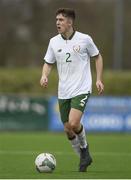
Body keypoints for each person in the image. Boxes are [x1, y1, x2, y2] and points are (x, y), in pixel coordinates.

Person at [40, 8, 104, 172]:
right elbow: (48, 62)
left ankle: (84, 149)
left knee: (75, 123)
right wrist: (44, 75)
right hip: (64, 91)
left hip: (82, 88)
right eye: (56, 20)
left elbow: (97, 56)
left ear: (70, 22)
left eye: (61, 20)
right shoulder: (53, 41)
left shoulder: (85, 39)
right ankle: (83, 157)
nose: (57, 23)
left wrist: (98, 79)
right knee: (68, 129)